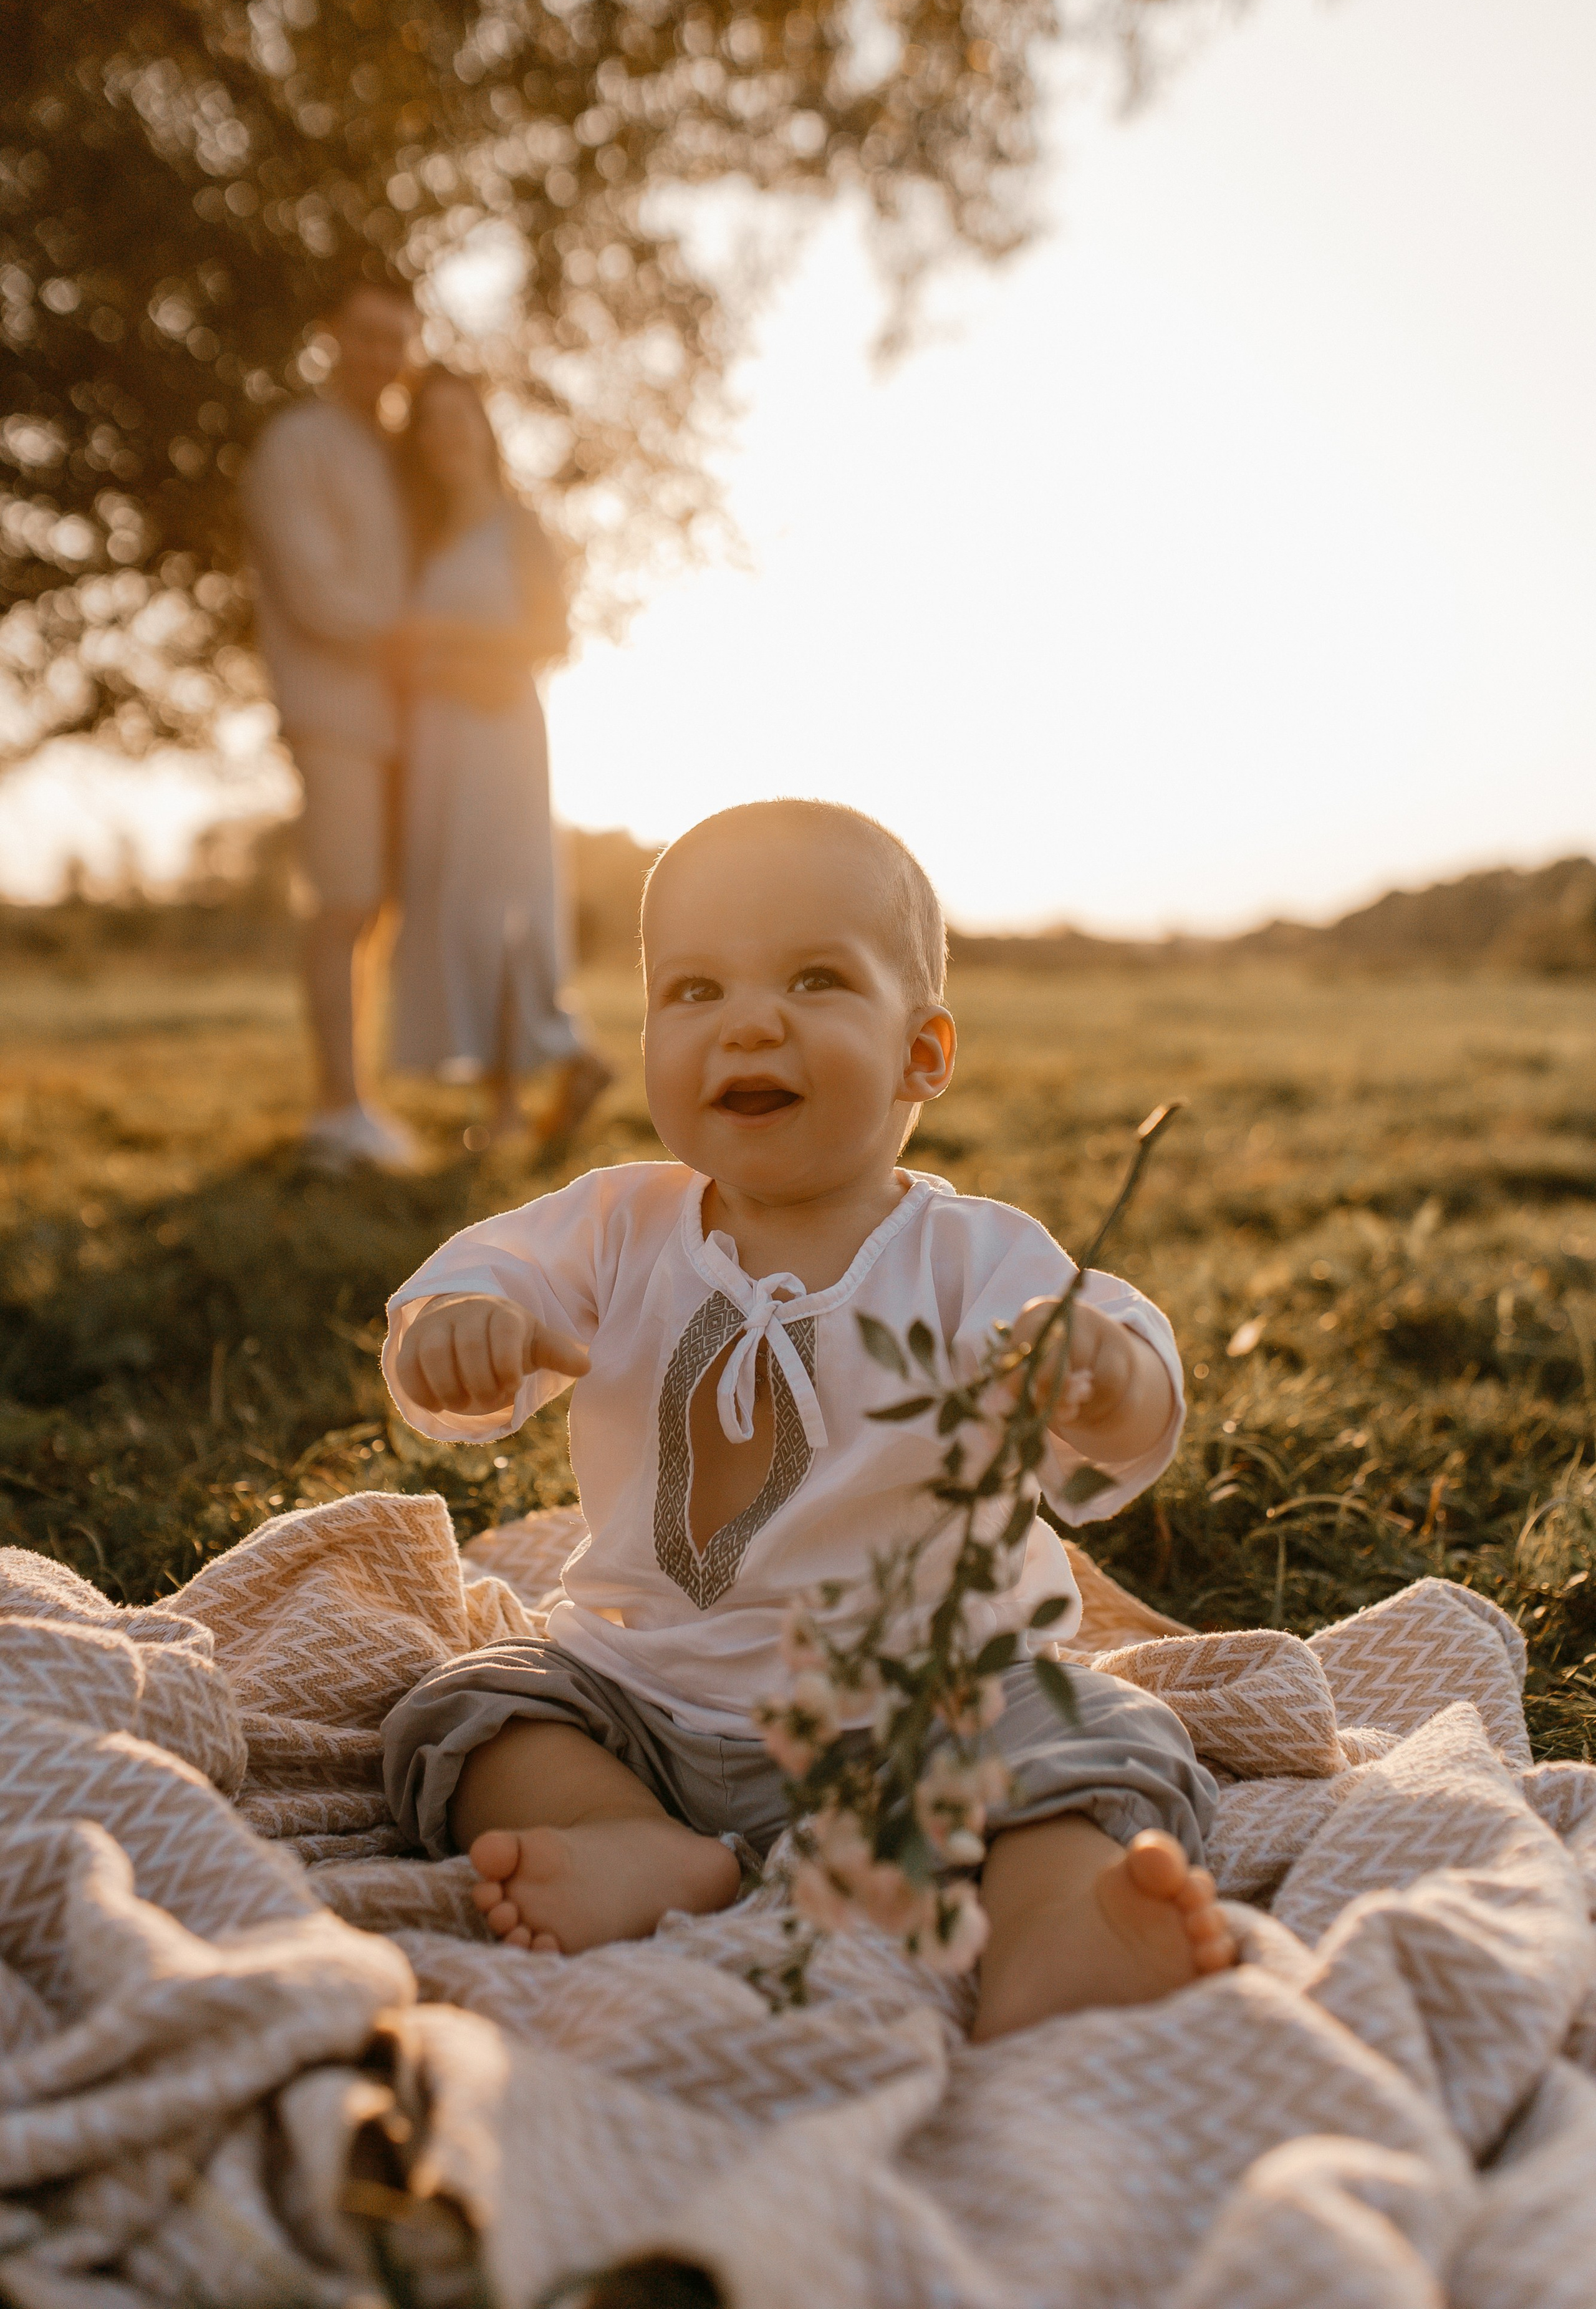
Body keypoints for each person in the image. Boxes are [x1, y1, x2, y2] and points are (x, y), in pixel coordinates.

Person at [377, 800, 1233, 2042]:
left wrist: (1100, 1377)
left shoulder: (963, 1254)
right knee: (464, 1709)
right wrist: (456, 1326)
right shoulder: (620, 1227)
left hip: (933, 1713)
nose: (748, 1021)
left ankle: (1053, 1915)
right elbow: (479, 1277)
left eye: (814, 979)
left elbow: (1119, 1360)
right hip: (647, 1701)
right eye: (693, 990)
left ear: (922, 1053)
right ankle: (623, 1837)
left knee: (1098, 1731)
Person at [384, 367, 612, 1154]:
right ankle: (507, 1103)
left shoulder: (518, 527)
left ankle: (573, 1057)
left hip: (499, 733)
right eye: (429, 424)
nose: (445, 437)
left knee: (507, 907)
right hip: (437, 743)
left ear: (484, 430)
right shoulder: (426, 536)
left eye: (458, 419)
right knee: (458, 908)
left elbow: (554, 637)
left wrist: (444, 643)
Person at [241, 276, 423, 1173]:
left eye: (399, 339)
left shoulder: (395, 453)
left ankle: (359, 1099)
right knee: (344, 899)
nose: (383, 356)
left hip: (405, 719)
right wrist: (425, 638)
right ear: (330, 338)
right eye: (367, 336)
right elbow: (315, 595)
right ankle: (334, 1109)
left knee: (375, 908)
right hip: (332, 709)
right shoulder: (296, 445)